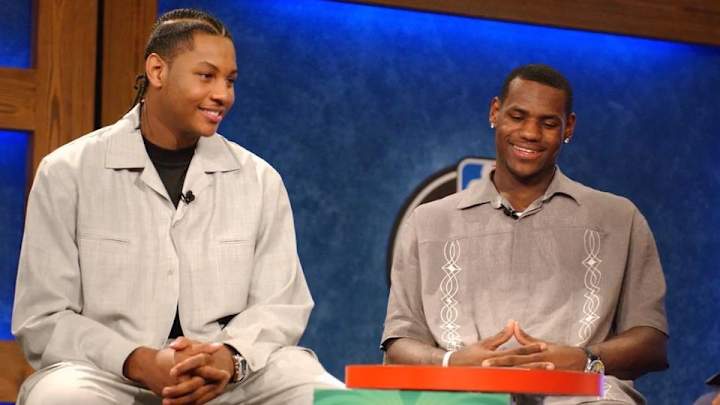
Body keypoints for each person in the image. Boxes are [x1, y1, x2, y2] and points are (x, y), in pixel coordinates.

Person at [13, 8, 340, 405]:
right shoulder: (69, 172)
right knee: (61, 396)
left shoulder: (259, 180)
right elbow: (44, 317)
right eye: (206, 76)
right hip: (111, 376)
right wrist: (138, 361)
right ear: (157, 71)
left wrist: (227, 358)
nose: (223, 95)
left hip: (230, 378)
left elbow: (281, 304)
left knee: (320, 392)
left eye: (230, 80)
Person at [381, 64, 668, 404]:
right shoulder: (428, 222)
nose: (531, 133)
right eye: (518, 116)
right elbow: (399, 343)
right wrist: (452, 363)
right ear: (495, 112)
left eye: (548, 123)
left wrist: (584, 359)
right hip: (463, 397)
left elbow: (651, 343)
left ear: (568, 127)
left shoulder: (619, 218)